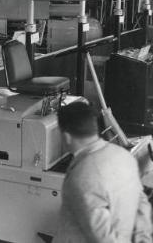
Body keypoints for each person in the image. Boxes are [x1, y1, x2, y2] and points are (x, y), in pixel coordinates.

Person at [54, 102, 152, 243]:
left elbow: (103, 238)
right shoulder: (124, 156)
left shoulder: (81, 177)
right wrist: (143, 239)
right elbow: (141, 203)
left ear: (66, 136)